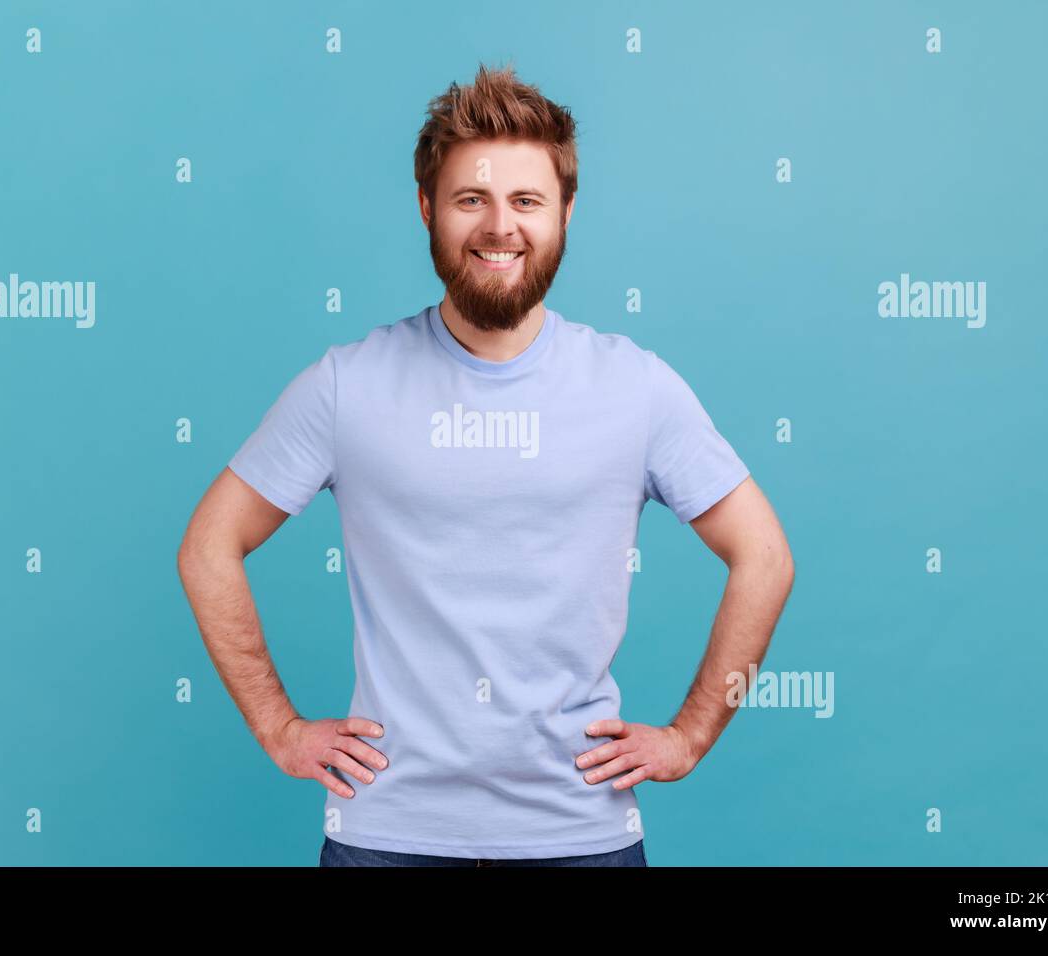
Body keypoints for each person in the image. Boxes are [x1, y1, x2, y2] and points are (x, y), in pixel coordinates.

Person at [177, 63, 795, 867]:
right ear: (427, 208)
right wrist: (278, 726)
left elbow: (765, 557)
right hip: (385, 838)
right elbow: (207, 547)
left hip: (583, 837)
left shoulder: (635, 386)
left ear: (566, 212)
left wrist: (690, 735)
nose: (500, 226)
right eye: (472, 198)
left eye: (527, 201)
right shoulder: (347, 385)